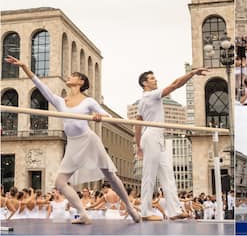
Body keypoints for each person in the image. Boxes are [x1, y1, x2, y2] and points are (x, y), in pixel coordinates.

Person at [5, 55, 140, 224]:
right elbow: (41, 86)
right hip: (73, 144)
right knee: (60, 183)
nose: (68, 77)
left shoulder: (88, 101)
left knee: (110, 175)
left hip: (89, 140)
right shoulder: (61, 102)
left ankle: (129, 206)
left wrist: (100, 116)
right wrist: (24, 67)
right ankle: (83, 213)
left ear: (81, 82)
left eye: (73, 75)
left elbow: (107, 116)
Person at [135, 68, 208, 221]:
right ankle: (145, 211)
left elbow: (137, 123)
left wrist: (138, 145)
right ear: (144, 83)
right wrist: (192, 73)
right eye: (152, 78)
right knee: (149, 174)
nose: (155, 80)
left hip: (156, 138)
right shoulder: (151, 95)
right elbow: (175, 84)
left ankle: (174, 210)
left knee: (168, 175)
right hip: (152, 137)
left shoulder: (143, 101)